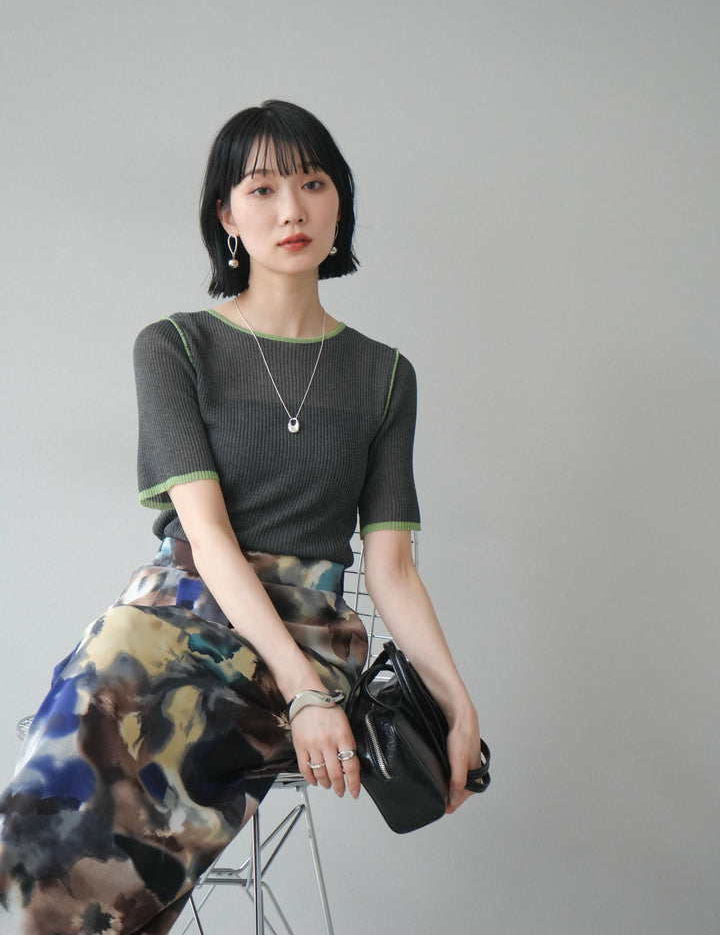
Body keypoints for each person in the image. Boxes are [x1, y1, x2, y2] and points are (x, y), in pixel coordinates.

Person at [0, 100, 484, 935]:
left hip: (309, 630)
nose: (291, 209)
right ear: (226, 216)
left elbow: (393, 569)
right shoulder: (175, 346)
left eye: (312, 183)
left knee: (124, 714)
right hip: (185, 610)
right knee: (102, 692)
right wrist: (303, 695)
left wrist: (458, 700)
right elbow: (210, 537)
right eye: (262, 189)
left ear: (339, 202)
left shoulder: (384, 377)